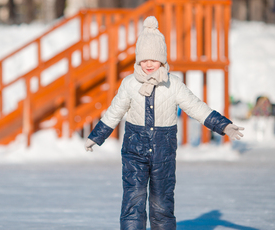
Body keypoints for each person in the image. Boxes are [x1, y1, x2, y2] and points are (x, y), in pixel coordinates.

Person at [84, 16, 244, 230]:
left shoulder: (173, 84)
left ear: (162, 60)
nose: (149, 64)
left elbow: (196, 107)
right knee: (133, 200)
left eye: (154, 59)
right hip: (134, 151)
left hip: (164, 153)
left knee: (162, 203)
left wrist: (223, 125)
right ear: (138, 60)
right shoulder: (130, 84)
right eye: (144, 59)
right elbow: (114, 111)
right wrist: (96, 136)